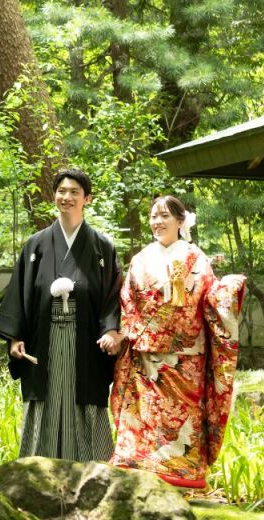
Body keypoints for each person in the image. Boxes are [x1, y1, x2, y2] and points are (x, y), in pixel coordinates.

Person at [110, 195, 245, 488]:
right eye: (153, 216)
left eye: (164, 216)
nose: (157, 222)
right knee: (146, 415)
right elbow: (128, 301)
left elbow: (211, 300)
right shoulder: (141, 258)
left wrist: (229, 288)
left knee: (182, 419)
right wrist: (131, 333)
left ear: (181, 222)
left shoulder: (197, 258)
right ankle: (143, 468)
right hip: (146, 353)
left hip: (186, 356)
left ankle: (183, 472)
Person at [0, 168, 123, 462]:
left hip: (86, 342)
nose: (67, 197)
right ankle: (38, 473)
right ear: (54, 196)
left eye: (74, 192)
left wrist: (111, 330)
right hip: (43, 341)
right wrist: (15, 337)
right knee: (44, 401)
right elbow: (20, 294)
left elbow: (113, 295)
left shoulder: (103, 246)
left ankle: (94, 474)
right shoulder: (35, 245)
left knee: (85, 399)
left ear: (86, 198)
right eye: (62, 191)